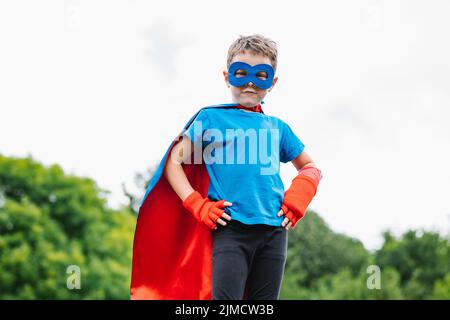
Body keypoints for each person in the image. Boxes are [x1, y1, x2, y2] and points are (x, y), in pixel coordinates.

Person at [130, 34, 322, 300]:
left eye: (261, 75)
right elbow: (174, 162)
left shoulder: (279, 128)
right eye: (241, 73)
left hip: (274, 232)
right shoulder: (211, 118)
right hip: (231, 228)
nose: (251, 83)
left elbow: (310, 166)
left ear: (273, 82)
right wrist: (197, 203)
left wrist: (300, 195)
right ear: (226, 76)